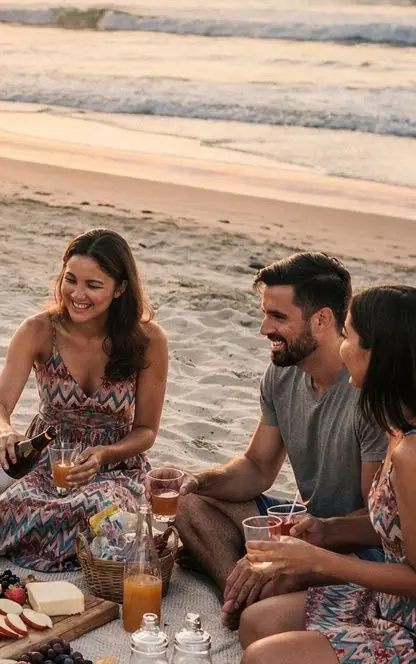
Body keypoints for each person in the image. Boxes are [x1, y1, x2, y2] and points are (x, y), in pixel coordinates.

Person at [165, 252, 387, 625]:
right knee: (187, 502)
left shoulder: (368, 394)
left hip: (355, 549)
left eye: (279, 317)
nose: (265, 328)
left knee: (276, 578)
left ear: (322, 320)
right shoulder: (281, 374)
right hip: (302, 523)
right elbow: (257, 467)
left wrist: (295, 551)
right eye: (265, 313)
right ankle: (239, 593)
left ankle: (250, 591)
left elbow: (374, 522)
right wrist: (200, 480)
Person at [237, 285, 416, 664]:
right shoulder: (399, 429)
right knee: (257, 623)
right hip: (392, 606)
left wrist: (318, 561)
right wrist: (324, 531)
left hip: (409, 626)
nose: (341, 347)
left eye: (351, 336)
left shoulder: (412, 454)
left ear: (382, 355)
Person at [0, 230, 168, 570]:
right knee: (11, 511)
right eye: (71, 280)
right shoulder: (38, 330)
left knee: (99, 512)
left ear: (120, 288)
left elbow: (145, 431)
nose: (77, 295)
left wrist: (104, 454)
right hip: (46, 458)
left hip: (115, 466)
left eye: (93, 285)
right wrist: (5, 432)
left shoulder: (148, 339)